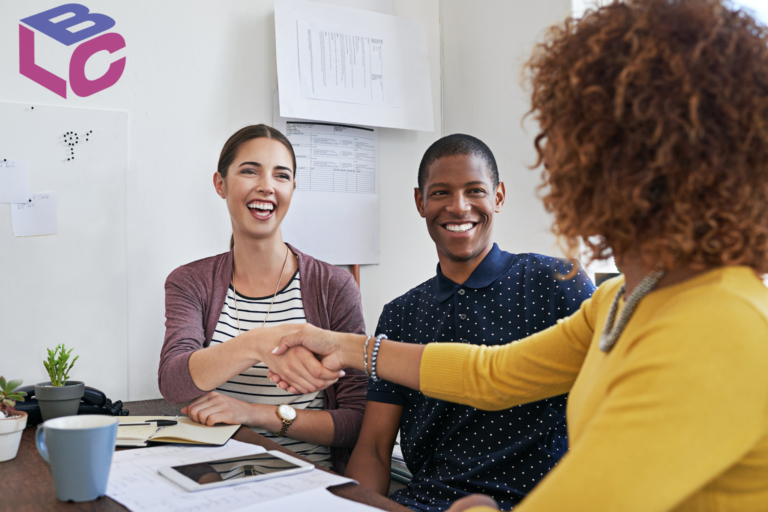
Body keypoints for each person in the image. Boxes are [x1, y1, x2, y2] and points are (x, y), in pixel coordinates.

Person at [266, 0, 768, 509]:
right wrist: (340, 345)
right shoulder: (621, 297)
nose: (562, 160)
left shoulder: (721, 323)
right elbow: (493, 375)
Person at [341, 134, 594, 511]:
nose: (459, 207)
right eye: (441, 193)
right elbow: (376, 448)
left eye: (475, 191)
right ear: (420, 202)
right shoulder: (401, 314)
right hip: (427, 501)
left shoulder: (558, 282)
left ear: (499, 196)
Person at [158, 124, 367, 473]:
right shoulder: (189, 282)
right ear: (220, 184)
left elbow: (355, 422)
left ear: (292, 189)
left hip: (305, 481)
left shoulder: (334, 286)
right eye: (249, 170)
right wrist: (258, 343)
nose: (266, 186)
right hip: (211, 479)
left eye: (281, 175)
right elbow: (174, 382)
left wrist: (255, 414)